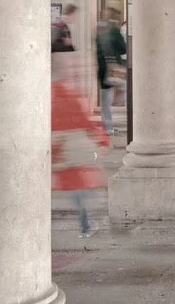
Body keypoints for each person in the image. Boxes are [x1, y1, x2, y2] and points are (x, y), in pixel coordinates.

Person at [51, 52, 110, 238]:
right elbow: (84, 119)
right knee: (82, 187)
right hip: (73, 144)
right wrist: (100, 138)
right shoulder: (69, 93)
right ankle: (88, 222)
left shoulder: (55, 92)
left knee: (77, 188)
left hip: (63, 145)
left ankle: (87, 223)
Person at [96, 7, 128, 133]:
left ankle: (107, 126)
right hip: (114, 67)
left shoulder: (99, 29)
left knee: (105, 100)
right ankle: (118, 101)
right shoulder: (114, 29)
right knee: (125, 88)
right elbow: (123, 48)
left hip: (102, 67)